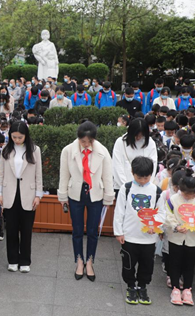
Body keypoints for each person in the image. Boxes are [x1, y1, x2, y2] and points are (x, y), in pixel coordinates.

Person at [58, 122, 113, 281]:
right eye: (83, 141)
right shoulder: (68, 150)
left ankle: (90, 261)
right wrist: (62, 197)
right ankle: (79, 261)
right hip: (75, 193)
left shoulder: (102, 151)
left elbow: (108, 176)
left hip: (96, 194)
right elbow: (64, 175)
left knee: (92, 231)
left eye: (89, 141)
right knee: (76, 230)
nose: (86, 144)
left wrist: (109, 198)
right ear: (78, 138)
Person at [113, 157, 165, 305]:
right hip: (129, 236)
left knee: (147, 264)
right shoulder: (126, 188)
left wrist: (156, 226)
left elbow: (162, 213)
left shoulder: (156, 191)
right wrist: (119, 232)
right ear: (132, 172)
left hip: (149, 238)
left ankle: (142, 286)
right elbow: (119, 211)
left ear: (152, 174)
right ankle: (131, 286)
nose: (142, 180)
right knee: (128, 263)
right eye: (139, 177)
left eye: (146, 177)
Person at [0, 121, 43, 273]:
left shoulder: (34, 150)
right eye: (14, 137)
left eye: (20, 137)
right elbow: (1, 173)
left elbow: (38, 174)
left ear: (26, 136)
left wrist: (38, 195)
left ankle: (25, 260)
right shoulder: (6, 149)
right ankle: (12, 260)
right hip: (9, 192)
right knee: (11, 229)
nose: (17, 140)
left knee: (26, 229)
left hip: (28, 194)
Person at [166, 170, 195, 306]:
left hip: (193, 239)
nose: (190, 197)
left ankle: (187, 289)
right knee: (174, 263)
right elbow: (168, 217)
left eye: (193, 194)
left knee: (189, 265)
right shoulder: (173, 200)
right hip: (176, 238)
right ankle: (175, 288)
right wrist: (176, 226)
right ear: (180, 189)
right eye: (187, 194)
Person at [112, 118, 158, 193]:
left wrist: (146, 183)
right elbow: (117, 166)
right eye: (136, 135)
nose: (138, 138)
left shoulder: (150, 143)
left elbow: (153, 165)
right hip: (123, 187)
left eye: (141, 135)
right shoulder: (120, 142)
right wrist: (126, 187)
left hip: (144, 187)